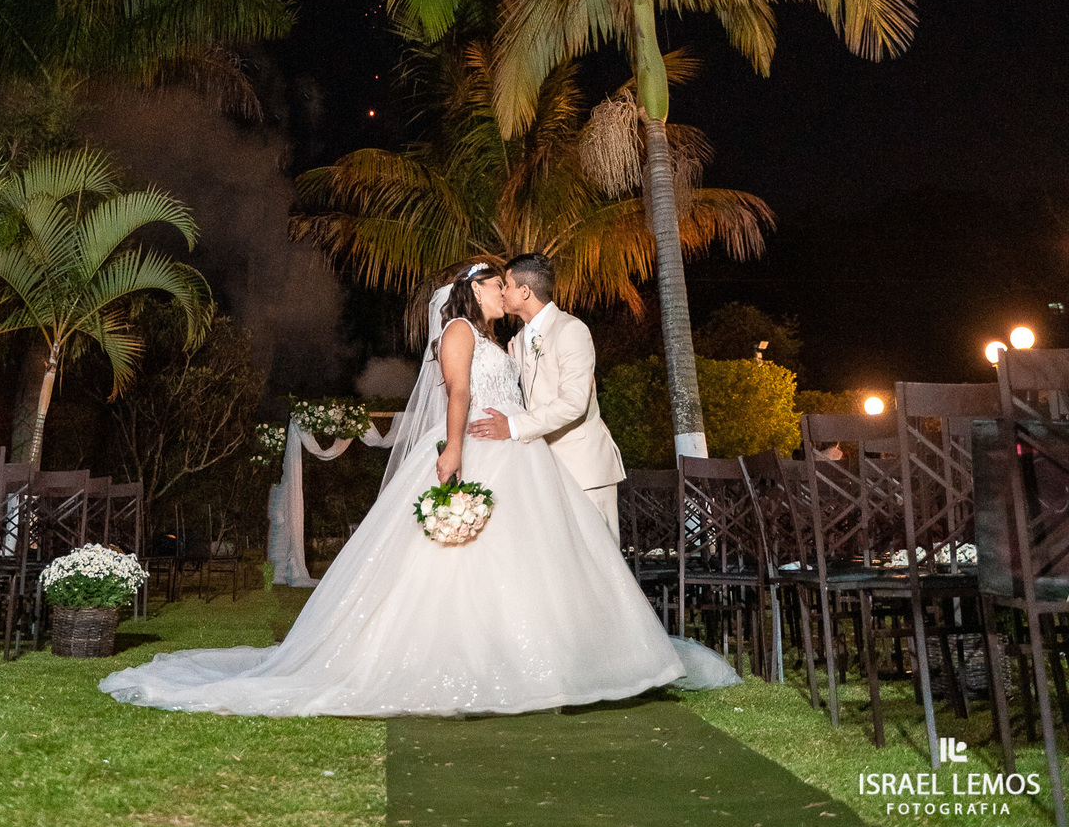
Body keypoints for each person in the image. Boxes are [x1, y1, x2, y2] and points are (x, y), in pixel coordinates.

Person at [100, 263, 737, 717]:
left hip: (518, 454)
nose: (501, 293)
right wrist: (454, 448)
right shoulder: (461, 334)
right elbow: (459, 394)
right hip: (485, 451)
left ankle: (547, 656)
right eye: (492, 284)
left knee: (522, 565)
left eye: (503, 285)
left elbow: (527, 396)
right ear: (470, 292)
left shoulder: (500, 340)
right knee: (460, 563)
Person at [467, 252, 625, 542]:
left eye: (508, 286)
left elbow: (574, 403)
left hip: (584, 469)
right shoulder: (518, 340)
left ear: (525, 291)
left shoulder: (571, 330)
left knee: (600, 566)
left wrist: (512, 427)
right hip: (544, 470)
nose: (502, 292)